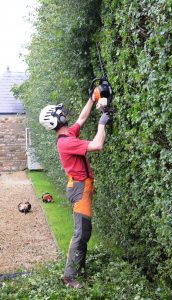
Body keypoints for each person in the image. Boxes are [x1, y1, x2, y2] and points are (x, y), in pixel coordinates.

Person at [39, 94, 109, 288]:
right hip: (79, 188)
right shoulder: (66, 142)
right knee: (80, 233)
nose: (63, 113)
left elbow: (82, 119)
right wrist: (102, 122)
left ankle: (80, 269)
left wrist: (92, 99)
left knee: (84, 231)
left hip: (79, 186)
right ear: (54, 120)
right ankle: (69, 276)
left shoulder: (68, 135)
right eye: (59, 112)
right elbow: (97, 145)